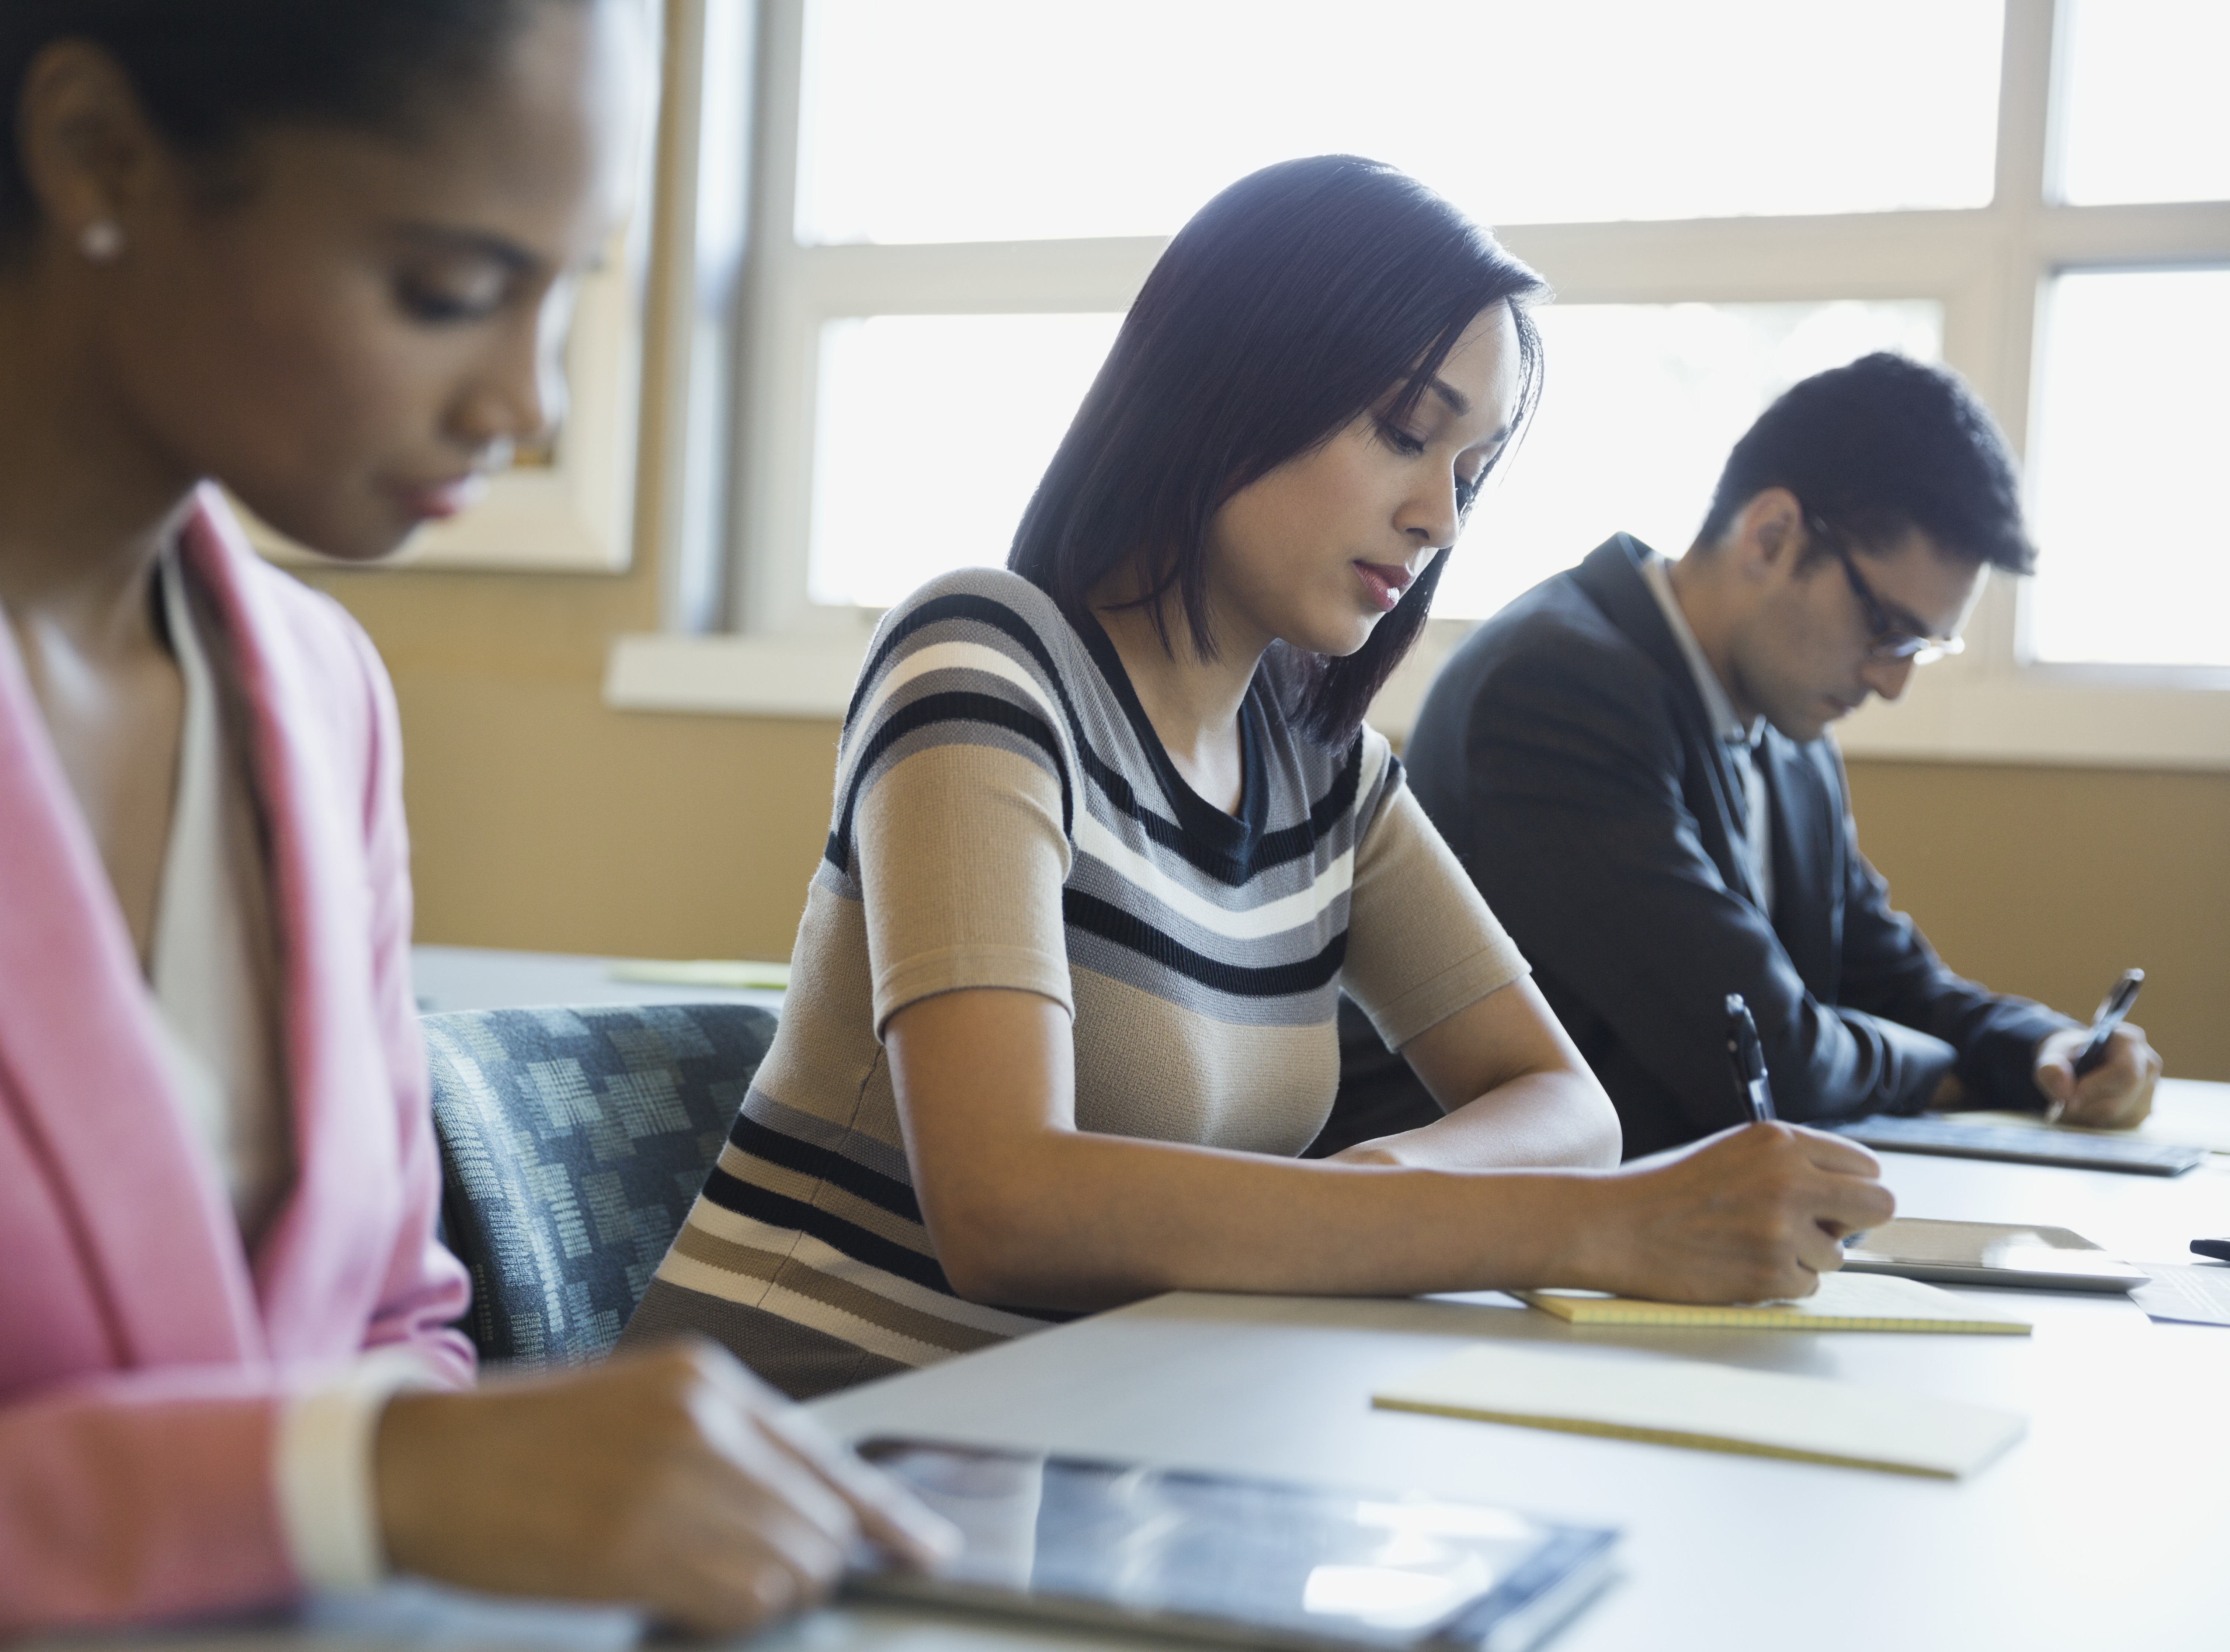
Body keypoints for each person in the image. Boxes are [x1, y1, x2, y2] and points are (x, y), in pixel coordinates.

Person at [0, 4, 951, 1647]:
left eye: (565, 292)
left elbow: (390, 1322)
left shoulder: (320, 695)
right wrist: (340, 1481)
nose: (521, 401)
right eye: (450, 291)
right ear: (99, 152)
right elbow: (348, 1451)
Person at [615, 156, 1894, 1402]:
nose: (1440, 519)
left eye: (1471, 470)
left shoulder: (1324, 774)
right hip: (797, 1453)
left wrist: (1370, 1208)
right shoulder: (985, 665)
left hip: (1089, 1445)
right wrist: (1570, 1232)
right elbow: (1007, 1209)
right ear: (1232, 384)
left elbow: (1564, 1104)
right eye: (1406, 432)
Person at [1371, 353, 2165, 1160]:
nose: (1891, 683)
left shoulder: (1787, 725)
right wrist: (1951, 1069)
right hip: (1473, 1240)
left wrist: (2046, 1049)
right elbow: (1762, 1058)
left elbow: (1887, 978)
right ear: (1773, 535)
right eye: (1888, 629)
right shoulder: (1553, 689)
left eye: (1919, 648)